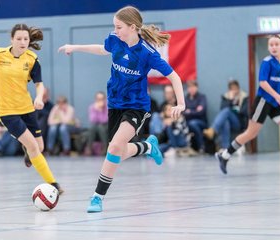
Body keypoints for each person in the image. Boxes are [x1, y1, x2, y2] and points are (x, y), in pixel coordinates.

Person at [59, 5, 185, 213]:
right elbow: (102, 49)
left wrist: (180, 103)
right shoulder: (115, 39)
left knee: (115, 147)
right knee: (115, 150)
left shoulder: (147, 53)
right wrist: (76, 46)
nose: (115, 30)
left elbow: (174, 76)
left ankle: (97, 197)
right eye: (114, 27)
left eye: (119, 27)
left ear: (133, 27)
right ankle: (147, 147)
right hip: (115, 103)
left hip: (136, 106)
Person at [0, 24, 63, 194]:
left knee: (39, 147)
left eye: (26, 39)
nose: (23, 42)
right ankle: (54, 184)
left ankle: (28, 151)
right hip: (6, 111)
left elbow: (39, 84)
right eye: (19, 39)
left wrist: (39, 97)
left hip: (26, 108)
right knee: (32, 145)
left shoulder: (32, 59)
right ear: (12, 39)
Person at [215, 35, 280, 174]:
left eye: (277, 44)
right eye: (271, 45)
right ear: (268, 47)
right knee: (251, 133)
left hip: (277, 103)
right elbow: (263, 83)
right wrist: (277, 96)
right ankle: (224, 155)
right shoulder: (267, 62)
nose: (274, 47)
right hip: (264, 101)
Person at [203, 80, 248, 149]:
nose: (234, 90)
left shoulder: (244, 97)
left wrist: (236, 107)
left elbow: (244, 111)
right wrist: (230, 99)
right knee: (225, 121)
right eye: (232, 89)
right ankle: (225, 148)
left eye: (235, 88)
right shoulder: (226, 96)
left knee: (227, 111)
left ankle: (213, 129)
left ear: (238, 88)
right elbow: (222, 109)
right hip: (229, 120)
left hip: (239, 122)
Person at [183, 80, 207, 153]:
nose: (191, 89)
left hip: (201, 122)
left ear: (197, 87)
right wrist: (195, 110)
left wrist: (189, 111)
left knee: (193, 123)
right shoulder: (185, 98)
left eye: (193, 87)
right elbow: (183, 112)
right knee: (188, 124)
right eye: (190, 87)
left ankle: (201, 146)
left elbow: (201, 111)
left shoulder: (202, 97)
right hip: (187, 122)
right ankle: (198, 146)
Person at [86, 91, 108, 156]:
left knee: (100, 127)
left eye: (102, 99)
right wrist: (97, 109)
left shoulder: (107, 107)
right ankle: (89, 148)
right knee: (93, 127)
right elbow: (92, 120)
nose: (100, 101)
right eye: (98, 99)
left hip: (107, 125)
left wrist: (100, 110)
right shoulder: (92, 107)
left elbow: (105, 120)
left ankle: (105, 147)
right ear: (96, 99)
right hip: (96, 126)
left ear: (104, 99)